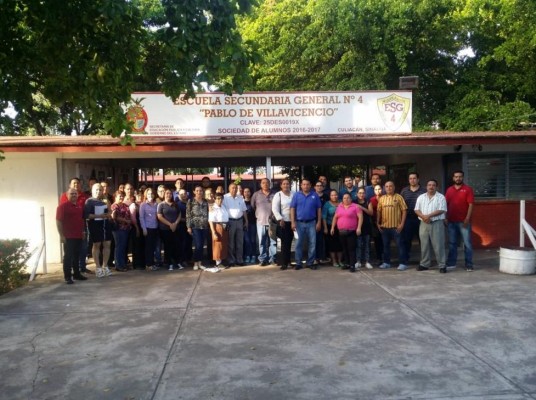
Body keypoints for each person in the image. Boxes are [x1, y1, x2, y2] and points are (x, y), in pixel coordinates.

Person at [414, 179, 448, 273]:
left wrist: (428, 216)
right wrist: (423, 217)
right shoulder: (421, 197)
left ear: (436, 187)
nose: (431, 187)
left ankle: (442, 265)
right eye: (429, 185)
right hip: (423, 223)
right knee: (424, 245)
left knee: (438, 245)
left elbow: (441, 209)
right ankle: (425, 264)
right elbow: (416, 209)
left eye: (433, 185)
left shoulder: (441, 197)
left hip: (436, 223)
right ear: (426, 186)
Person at [59, 177, 91, 274]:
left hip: (80, 230)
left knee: (81, 250)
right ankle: (68, 275)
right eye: (74, 183)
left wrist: (83, 230)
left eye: (78, 183)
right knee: (69, 254)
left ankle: (80, 270)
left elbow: (83, 216)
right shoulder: (63, 201)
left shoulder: (82, 200)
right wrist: (61, 234)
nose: (76, 185)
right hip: (68, 232)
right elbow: (59, 219)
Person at [56, 188, 87, 284]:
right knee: (68, 257)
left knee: (76, 256)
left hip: (78, 235)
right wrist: (61, 235)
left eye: (75, 194)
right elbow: (58, 221)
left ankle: (77, 274)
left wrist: (83, 232)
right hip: (68, 236)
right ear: (67, 195)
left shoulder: (79, 206)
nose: (74, 195)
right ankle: (68, 276)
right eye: (71, 194)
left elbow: (81, 220)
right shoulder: (62, 207)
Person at [445, 170, 475, 271]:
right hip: (451, 221)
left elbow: (471, 204)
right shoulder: (449, 190)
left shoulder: (468, 189)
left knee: (467, 244)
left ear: (463, 178)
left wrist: (467, 218)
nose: (458, 178)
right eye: (456, 177)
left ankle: (469, 264)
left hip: (464, 222)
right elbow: (445, 204)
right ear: (453, 178)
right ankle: (451, 262)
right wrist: (445, 217)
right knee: (452, 243)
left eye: (460, 176)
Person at [290, 178, 322, 270]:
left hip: (312, 222)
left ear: (310, 185)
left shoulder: (314, 195)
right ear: (301, 185)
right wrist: (293, 222)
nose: (306, 186)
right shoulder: (296, 195)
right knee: (298, 243)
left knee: (312, 243)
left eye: (307, 184)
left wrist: (319, 222)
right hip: (299, 223)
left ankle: (310, 263)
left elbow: (318, 209)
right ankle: (298, 263)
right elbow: (292, 208)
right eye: (304, 184)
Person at [377, 181, 408, 270]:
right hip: (385, 227)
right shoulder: (382, 198)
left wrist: (402, 224)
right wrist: (378, 223)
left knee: (400, 245)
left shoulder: (399, 197)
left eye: (391, 186)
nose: (389, 188)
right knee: (385, 246)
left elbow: (404, 210)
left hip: (396, 227)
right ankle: (386, 262)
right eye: (386, 186)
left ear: (394, 187)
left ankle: (403, 263)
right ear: (384, 188)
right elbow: (379, 211)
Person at [84, 183, 113, 278]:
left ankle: (105, 266)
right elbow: (87, 215)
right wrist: (98, 216)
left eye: (100, 190)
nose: (98, 192)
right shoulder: (89, 201)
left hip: (105, 223)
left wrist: (108, 213)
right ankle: (98, 267)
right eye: (96, 190)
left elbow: (110, 211)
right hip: (95, 224)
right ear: (92, 190)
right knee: (97, 244)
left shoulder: (105, 200)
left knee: (107, 244)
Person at [331, 193, 362, 272]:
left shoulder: (355, 206)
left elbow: (360, 218)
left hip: (351, 231)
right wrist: (332, 227)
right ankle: (347, 263)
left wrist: (359, 228)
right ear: (342, 199)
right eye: (344, 198)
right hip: (341, 231)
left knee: (351, 249)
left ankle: (352, 265)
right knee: (344, 249)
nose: (346, 199)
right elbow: (335, 217)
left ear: (351, 199)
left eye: (348, 198)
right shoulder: (339, 207)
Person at [400, 173, 426, 263]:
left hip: (421, 219)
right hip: (408, 219)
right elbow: (401, 205)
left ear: (418, 179)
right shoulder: (404, 191)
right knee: (406, 240)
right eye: (410, 178)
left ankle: (424, 260)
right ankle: (405, 260)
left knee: (422, 240)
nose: (412, 180)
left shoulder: (424, 190)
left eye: (414, 178)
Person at [251, 178, 276, 266]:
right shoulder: (256, 194)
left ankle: (272, 258)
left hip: (272, 222)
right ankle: (262, 259)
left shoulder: (274, 194)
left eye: (267, 183)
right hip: (260, 222)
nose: (265, 184)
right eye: (263, 183)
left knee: (273, 241)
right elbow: (253, 206)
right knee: (261, 242)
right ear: (260, 184)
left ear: (270, 184)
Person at [157, 188, 184, 271]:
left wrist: (175, 223)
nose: (168, 195)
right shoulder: (161, 205)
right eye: (167, 193)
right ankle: (169, 263)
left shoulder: (175, 204)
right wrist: (170, 224)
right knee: (168, 246)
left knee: (177, 246)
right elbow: (159, 216)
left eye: (170, 193)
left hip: (176, 228)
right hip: (165, 229)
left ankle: (178, 262)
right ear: (164, 195)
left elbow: (179, 214)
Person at [272, 178, 295, 270]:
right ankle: (284, 263)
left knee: (290, 242)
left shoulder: (294, 194)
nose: (286, 185)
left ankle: (289, 261)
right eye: (284, 184)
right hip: (283, 222)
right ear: (281, 185)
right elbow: (274, 208)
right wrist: (280, 219)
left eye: (287, 184)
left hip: (293, 221)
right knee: (284, 243)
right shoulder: (278, 195)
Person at [223, 183, 248, 266]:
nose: (234, 189)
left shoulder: (240, 197)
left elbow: (244, 210)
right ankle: (231, 260)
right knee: (230, 242)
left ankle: (239, 260)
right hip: (230, 221)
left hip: (240, 221)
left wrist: (246, 221)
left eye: (236, 188)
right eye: (232, 188)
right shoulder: (225, 197)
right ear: (229, 189)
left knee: (240, 242)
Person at [187, 186, 210, 270]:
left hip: (204, 226)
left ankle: (200, 263)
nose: (199, 192)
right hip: (195, 226)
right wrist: (188, 226)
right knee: (198, 245)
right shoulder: (190, 201)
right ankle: (195, 263)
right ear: (194, 192)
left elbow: (208, 213)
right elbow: (188, 215)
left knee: (202, 245)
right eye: (197, 191)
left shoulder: (205, 202)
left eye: (200, 191)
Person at [111, 190, 132, 272]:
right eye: (119, 196)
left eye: (122, 196)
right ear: (115, 197)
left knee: (123, 247)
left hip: (126, 229)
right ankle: (118, 265)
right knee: (119, 247)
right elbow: (115, 217)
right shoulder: (114, 206)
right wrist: (126, 221)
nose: (121, 197)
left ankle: (123, 264)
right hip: (118, 229)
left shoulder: (125, 205)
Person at [139, 187, 159, 271]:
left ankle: (152, 263)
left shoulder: (157, 204)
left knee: (154, 246)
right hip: (148, 228)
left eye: (152, 194)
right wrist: (144, 228)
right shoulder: (143, 205)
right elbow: (141, 217)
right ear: (146, 195)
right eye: (148, 194)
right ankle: (148, 264)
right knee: (148, 247)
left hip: (156, 227)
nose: (150, 195)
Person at [208, 192, 229, 270]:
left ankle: (222, 260)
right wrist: (213, 232)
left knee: (223, 245)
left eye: (221, 198)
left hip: (225, 227)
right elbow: (211, 221)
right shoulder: (213, 208)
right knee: (217, 244)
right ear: (214, 199)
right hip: (217, 226)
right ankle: (218, 263)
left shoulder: (223, 207)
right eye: (218, 198)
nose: (219, 200)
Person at [322, 189, 343, 268]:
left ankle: (340, 261)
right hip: (330, 226)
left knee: (340, 244)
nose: (334, 196)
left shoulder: (342, 202)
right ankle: (334, 261)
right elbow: (324, 217)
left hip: (341, 227)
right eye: (332, 195)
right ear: (330, 196)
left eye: (336, 195)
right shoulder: (327, 204)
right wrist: (325, 228)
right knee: (332, 245)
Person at [355, 187, 374, 269]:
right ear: (357, 194)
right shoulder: (353, 202)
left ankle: (367, 261)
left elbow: (371, 213)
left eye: (363, 193)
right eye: (359, 193)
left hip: (366, 226)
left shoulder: (368, 201)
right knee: (358, 245)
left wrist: (362, 207)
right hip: (357, 226)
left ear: (365, 194)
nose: (361, 194)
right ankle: (358, 261)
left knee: (366, 245)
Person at [314, 181, 329, 264]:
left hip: (325, 220)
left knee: (323, 240)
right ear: (315, 187)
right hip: (314, 220)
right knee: (315, 239)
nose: (319, 187)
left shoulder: (326, 196)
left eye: (321, 186)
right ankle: (316, 258)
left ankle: (323, 257)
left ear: (323, 187)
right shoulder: (312, 195)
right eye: (317, 185)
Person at [177, 189, 192, 266]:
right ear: (179, 195)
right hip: (181, 226)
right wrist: (187, 219)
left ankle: (189, 259)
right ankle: (182, 260)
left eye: (184, 193)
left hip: (190, 226)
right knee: (183, 243)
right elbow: (177, 216)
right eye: (181, 194)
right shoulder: (177, 204)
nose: (183, 195)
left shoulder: (191, 203)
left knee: (189, 243)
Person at [369, 184, 384, 263]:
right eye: (376, 189)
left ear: (382, 189)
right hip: (375, 223)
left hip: (385, 223)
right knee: (377, 241)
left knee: (384, 241)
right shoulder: (371, 200)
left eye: (379, 189)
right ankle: (379, 258)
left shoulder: (386, 198)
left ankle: (385, 257)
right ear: (374, 191)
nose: (378, 191)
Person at [242, 187, 257, 264]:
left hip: (253, 223)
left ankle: (254, 255)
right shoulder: (241, 202)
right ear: (243, 193)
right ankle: (247, 256)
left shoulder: (253, 202)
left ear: (250, 193)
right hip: (245, 224)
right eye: (245, 192)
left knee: (253, 240)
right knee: (247, 241)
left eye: (248, 191)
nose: (247, 193)